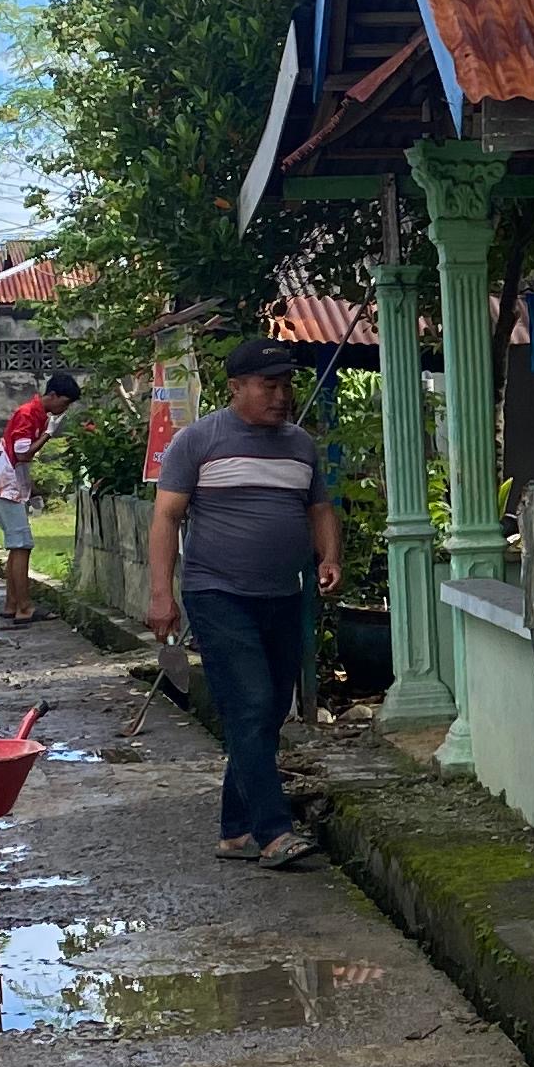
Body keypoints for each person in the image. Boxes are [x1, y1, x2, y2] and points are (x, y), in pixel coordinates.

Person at [146, 341, 340, 867]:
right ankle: (274, 832)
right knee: (251, 703)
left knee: (270, 709)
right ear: (236, 388)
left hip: (284, 594)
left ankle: (235, 831)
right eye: (268, 386)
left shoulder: (300, 445)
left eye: (286, 386)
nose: (281, 397)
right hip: (217, 593)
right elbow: (166, 519)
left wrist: (330, 556)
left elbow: (319, 508)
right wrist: (161, 594)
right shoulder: (198, 441)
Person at [0, 369, 81, 625]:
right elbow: (23, 453)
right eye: (65, 402)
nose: (65, 408)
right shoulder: (29, 414)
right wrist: (48, 434)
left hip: (4, 489)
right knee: (22, 546)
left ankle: (12, 604)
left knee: (17, 548)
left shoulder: (34, 413)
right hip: (7, 491)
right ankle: (24, 607)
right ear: (53, 395)